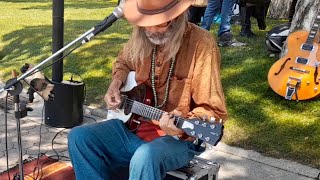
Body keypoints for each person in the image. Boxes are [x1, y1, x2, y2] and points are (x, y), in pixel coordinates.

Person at [68, 0, 228, 179]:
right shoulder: (142, 36)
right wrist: (115, 84)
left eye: (159, 23)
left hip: (175, 140)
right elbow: (123, 61)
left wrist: (181, 127)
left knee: (144, 157)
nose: (151, 31)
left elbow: (212, 109)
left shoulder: (202, 44)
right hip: (131, 127)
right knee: (79, 137)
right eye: (146, 24)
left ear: (178, 17)